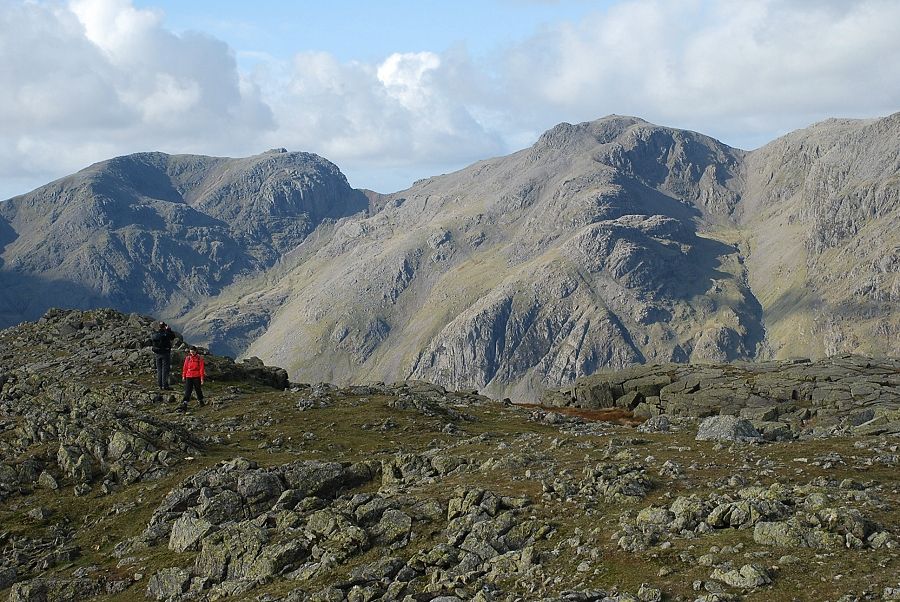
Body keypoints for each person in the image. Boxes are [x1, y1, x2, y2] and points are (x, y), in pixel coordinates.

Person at [150, 321, 176, 390]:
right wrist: (168, 330)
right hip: (165, 353)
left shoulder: (155, 334)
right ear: (164, 326)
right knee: (165, 370)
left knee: (159, 370)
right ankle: (165, 386)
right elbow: (173, 336)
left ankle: (159, 385)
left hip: (157, 353)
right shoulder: (166, 333)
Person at [180, 346, 206, 411]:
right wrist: (183, 376)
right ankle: (185, 403)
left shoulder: (200, 358)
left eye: (193, 352)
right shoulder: (188, 358)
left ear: (196, 351)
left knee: (198, 389)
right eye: (191, 352)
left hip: (197, 376)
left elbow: (201, 369)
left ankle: (200, 400)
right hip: (189, 376)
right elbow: (185, 368)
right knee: (188, 390)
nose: (192, 353)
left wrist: (202, 378)